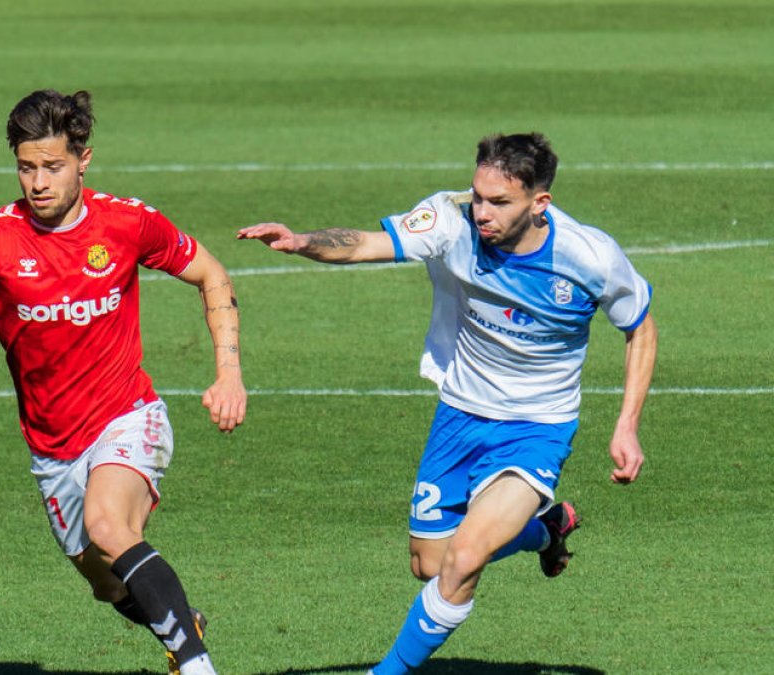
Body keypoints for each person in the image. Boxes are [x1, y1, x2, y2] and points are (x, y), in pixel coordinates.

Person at [238, 132, 656, 673]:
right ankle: (546, 528)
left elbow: (640, 329)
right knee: (430, 564)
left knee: (462, 559)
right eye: (478, 195)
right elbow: (367, 243)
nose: (482, 211)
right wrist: (301, 242)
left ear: (540, 203)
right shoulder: (450, 219)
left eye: (500, 202)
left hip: (536, 428)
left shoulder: (588, 256)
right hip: (459, 414)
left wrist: (627, 426)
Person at [0, 89, 246, 675]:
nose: (38, 182)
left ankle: (197, 667)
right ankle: (180, 621)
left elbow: (211, 274)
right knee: (107, 584)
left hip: (127, 415)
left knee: (108, 525)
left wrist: (229, 372)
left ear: (83, 160)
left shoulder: (127, 222)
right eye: (26, 167)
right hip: (51, 446)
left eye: (53, 167)